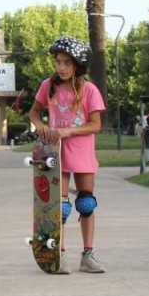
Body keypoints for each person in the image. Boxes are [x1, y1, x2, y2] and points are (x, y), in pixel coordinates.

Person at [28, 36, 106, 274]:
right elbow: (34, 112)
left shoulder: (89, 89)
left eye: (67, 63)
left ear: (78, 66)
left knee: (86, 203)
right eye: (58, 62)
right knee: (58, 207)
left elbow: (95, 125)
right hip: (56, 154)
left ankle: (88, 254)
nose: (61, 67)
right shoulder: (47, 86)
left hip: (82, 153)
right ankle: (57, 254)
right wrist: (40, 125)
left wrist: (70, 130)